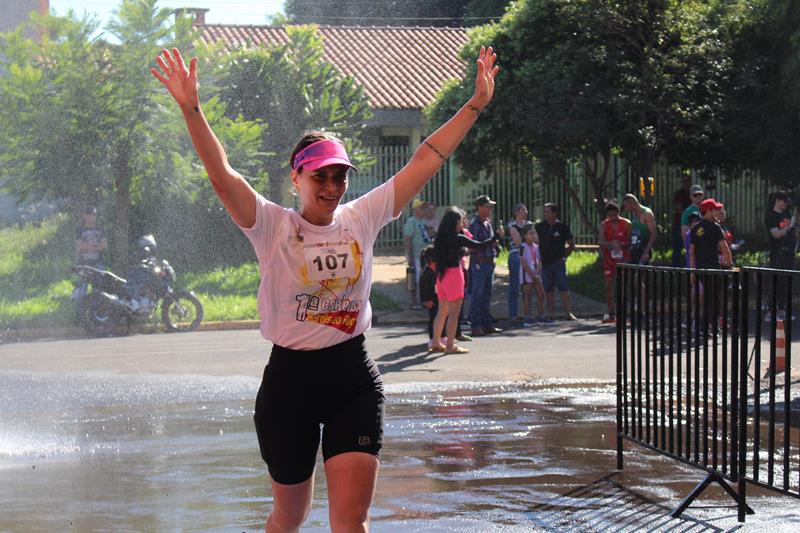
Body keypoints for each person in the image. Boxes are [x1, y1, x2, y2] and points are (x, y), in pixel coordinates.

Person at [151, 45, 498, 533]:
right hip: (288, 385)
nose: (333, 185)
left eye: (340, 175)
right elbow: (221, 174)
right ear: (297, 177)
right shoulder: (271, 225)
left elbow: (426, 157)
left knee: (350, 524)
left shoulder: (363, 217)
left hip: (350, 378)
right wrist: (191, 108)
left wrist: (476, 103)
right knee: (288, 519)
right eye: (321, 175)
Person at [430, 208, 497, 353]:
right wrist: (496, 237)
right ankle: (450, 346)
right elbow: (480, 245)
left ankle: (436, 342)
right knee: (454, 313)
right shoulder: (458, 238)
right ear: (455, 223)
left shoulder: (439, 238)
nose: (463, 223)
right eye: (461, 220)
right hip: (454, 274)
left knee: (442, 311)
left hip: (441, 276)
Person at [468, 195, 504, 336]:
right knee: (477, 295)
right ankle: (475, 325)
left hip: (489, 262)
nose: (490, 209)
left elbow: (490, 242)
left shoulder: (488, 223)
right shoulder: (474, 225)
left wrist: (496, 242)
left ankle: (485, 323)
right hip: (479, 264)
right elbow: (474, 245)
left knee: (487, 295)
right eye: (487, 206)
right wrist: (492, 240)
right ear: (480, 207)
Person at [535, 203, 577, 321]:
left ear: (554, 213)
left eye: (548, 212)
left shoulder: (562, 227)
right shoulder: (539, 227)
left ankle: (568, 313)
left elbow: (571, 244)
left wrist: (565, 256)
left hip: (558, 263)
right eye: (545, 212)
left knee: (563, 287)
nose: (545, 214)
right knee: (548, 289)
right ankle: (551, 314)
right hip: (545, 263)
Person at [765, 192, 797, 319]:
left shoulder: (786, 214)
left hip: (789, 252)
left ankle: (782, 309)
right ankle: (771, 310)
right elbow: (776, 234)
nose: (786, 204)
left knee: (787, 281)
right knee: (777, 280)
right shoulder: (771, 216)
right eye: (784, 201)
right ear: (777, 200)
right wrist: (789, 226)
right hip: (778, 252)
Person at [598, 200, 631, 323]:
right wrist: (611, 243)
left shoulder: (626, 223)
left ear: (618, 212)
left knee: (622, 286)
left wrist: (622, 244)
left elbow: (630, 241)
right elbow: (601, 242)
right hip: (609, 260)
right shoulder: (604, 225)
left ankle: (623, 312)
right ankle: (611, 312)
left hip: (623, 259)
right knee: (608, 285)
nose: (612, 217)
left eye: (614, 213)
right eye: (610, 214)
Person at [507, 203, 535, 323]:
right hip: (516, 256)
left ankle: (527, 312)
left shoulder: (529, 224)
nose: (526, 212)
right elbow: (517, 242)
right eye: (523, 210)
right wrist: (527, 236)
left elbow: (536, 239)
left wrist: (529, 237)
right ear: (517, 212)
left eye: (526, 210)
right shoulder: (512, 225)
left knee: (528, 285)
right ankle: (513, 314)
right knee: (514, 285)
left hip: (529, 255)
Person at [404, 198, 432, 309]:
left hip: (425, 255)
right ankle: (414, 301)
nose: (424, 209)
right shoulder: (412, 222)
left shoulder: (423, 221)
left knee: (424, 279)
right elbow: (408, 240)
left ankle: (424, 300)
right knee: (415, 278)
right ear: (415, 209)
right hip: (416, 255)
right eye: (422, 207)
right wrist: (410, 257)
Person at [690, 198, 732, 270]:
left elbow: (692, 253)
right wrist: (730, 265)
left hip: (700, 269)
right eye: (715, 210)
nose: (716, 212)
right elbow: (724, 247)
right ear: (709, 211)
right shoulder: (715, 227)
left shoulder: (694, 229)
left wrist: (692, 273)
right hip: (714, 269)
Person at [519, 225, 545, 326]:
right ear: (525, 236)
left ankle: (541, 314)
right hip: (527, 274)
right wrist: (531, 274)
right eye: (530, 233)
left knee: (541, 294)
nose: (533, 235)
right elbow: (523, 262)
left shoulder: (536, 246)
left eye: (534, 233)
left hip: (536, 274)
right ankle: (527, 316)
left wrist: (537, 272)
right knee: (527, 295)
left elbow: (538, 261)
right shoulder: (523, 247)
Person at [621, 193, 657, 265]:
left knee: (642, 274)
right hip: (635, 249)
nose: (625, 209)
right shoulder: (634, 213)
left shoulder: (647, 213)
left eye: (626, 206)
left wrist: (646, 252)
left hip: (644, 249)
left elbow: (654, 234)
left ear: (631, 203)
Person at [671, 174, 692, 266]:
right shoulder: (679, 194)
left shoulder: (693, 194)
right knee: (677, 245)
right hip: (679, 223)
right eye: (684, 181)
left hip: (693, 224)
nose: (685, 183)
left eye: (687, 181)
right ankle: (675, 267)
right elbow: (679, 208)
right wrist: (687, 218)